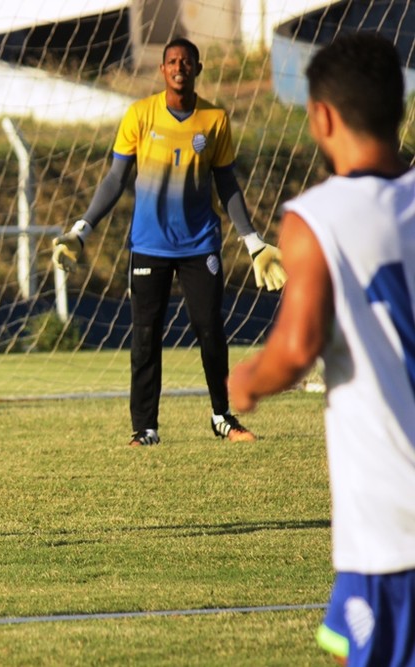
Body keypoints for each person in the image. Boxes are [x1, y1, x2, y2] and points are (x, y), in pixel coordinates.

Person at [228, 32, 415, 666]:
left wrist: (246, 381)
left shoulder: (318, 215)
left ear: (323, 117)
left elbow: (297, 346)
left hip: (392, 517)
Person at [53, 37, 286, 447]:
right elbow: (114, 179)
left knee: (210, 330)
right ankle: (145, 428)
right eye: (171, 61)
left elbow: (227, 183)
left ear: (198, 68)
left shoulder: (215, 119)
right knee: (145, 335)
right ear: (163, 70)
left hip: (200, 245)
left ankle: (221, 417)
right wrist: (82, 229)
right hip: (149, 246)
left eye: (186, 61)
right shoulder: (140, 115)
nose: (179, 66)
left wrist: (251, 241)